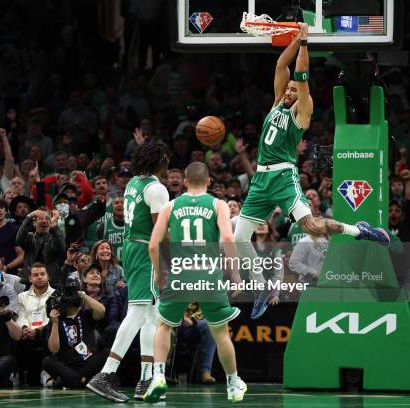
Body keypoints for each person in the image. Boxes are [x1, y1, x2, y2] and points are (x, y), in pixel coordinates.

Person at [232, 23, 390, 320]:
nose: (289, 91)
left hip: (282, 176)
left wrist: (304, 42)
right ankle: (262, 288)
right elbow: (282, 64)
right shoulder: (277, 103)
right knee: (240, 237)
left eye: (294, 89)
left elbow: (300, 75)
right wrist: (293, 38)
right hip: (261, 179)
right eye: (288, 88)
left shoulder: (302, 110)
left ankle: (361, 230)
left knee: (312, 227)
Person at [145, 162, 246, 403]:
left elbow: (152, 246)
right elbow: (229, 237)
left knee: (164, 326)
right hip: (209, 273)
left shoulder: (171, 206)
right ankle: (233, 383)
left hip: (180, 273)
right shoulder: (217, 204)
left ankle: (158, 376)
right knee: (220, 332)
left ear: (186, 182)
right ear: (209, 181)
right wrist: (235, 273)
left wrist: (160, 273)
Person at [87, 142, 170, 402]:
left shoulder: (134, 182)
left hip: (132, 246)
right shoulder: (157, 189)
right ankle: (106, 374)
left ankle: (146, 379)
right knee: (137, 312)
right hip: (147, 250)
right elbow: (160, 232)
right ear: (161, 161)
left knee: (151, 314)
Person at [42, 277, 108, 388]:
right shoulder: (56, 321)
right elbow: (54, 349)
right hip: (67, 366)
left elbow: (101, 310)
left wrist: (82, 294)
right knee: (47, 361)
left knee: (107, 352)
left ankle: (70, 381)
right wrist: (54, 324)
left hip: (89, 364)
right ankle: (85, 382)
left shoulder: (86, 315)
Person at [16, 263, 55, 385]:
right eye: (35, 275)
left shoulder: (56, 295)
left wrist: (37, 330)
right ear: (30, 278)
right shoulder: (21, 297)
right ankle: (15, 374)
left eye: (42, 274)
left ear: (48, 276)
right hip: (25, 333)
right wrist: (25, 328)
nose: (39, 277)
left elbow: (53, 318)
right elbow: (21, 316)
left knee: (49, 331)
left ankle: (46, 372)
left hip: (45, 333)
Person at [16, 208, 66, 284]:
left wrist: (55, 227)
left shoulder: (55, 237)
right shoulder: (29, 238)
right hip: (29, 282)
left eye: (47, 218)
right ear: (34, 223)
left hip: (51, 282)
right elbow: (19, 239)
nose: (44, 221)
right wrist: (29, 216)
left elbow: (60, 248)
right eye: (41, 218)